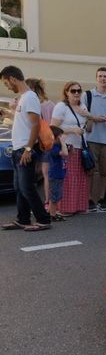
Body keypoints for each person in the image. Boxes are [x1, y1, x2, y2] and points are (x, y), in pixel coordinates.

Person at [0, 65, 51, 231]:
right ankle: (23, 219)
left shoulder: (29, 97)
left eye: (7, 83)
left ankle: (44, 220)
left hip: (24, 150)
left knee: (27, 187)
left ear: (13, 79)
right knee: (19, 187)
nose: (7, 87)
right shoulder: (24, 98)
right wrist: (8, 114)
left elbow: (35, 124)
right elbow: (25, 122)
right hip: (18, 150)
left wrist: (28, 149)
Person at [82, 67, 106, 212]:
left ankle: (101, 198)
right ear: (96, 78)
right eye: (100, 76)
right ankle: (90, 199)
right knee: (92, 170)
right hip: (91, 138)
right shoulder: (87, 95)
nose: (103, 79)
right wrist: (94, 118)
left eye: (105, 76)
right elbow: (81, 114)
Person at [50, 81, 92, 216]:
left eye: (78, 91)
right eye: (73, 91)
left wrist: (88, 116)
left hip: (81, 146)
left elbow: (89, 126)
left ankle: (78, 206)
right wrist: (72, 130)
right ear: (66, 93)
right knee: (69, 178)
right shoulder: (61, 107)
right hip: (67, 146)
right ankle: (66, 208)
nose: (76, 93)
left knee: (80, 177)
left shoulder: (82, 106)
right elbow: (53, 128)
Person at [25, 78, 55, 211]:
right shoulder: (50, 105)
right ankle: (47, 202)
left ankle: (33, 203)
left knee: (31, 174)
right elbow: (53, 125)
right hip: (46, 141)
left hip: (33, 141)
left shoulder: (29, 103)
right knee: (46, 174)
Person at [47, 126, 69, 221]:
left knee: (57, 195)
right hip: (55, 174)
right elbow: (65, 154)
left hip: (60, 174)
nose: (62, 138)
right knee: (55, 196)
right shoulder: (53, 147)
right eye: (60, 136)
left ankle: (52, 212)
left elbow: (69, 152)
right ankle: (52, 215)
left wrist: (67, 145)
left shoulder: (58, 146)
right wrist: (63, 143)